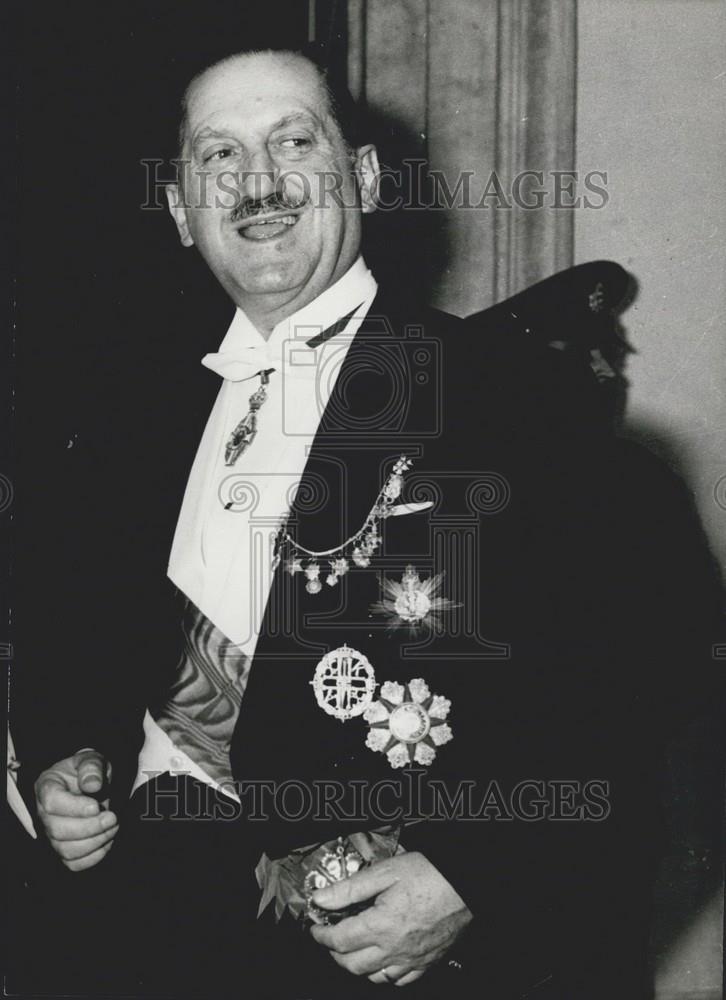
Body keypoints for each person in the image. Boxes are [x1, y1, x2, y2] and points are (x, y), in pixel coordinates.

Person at [22, 48, 721, 999]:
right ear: (183, 212)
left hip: (399, 960)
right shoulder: (121, 428)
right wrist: (62, 763)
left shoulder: (512, 393)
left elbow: (654, 658)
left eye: (293, 142)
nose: (257, 181)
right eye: (218, 155)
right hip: (157, 941)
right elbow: (68, 644)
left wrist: (477, 871)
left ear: (363, 178)